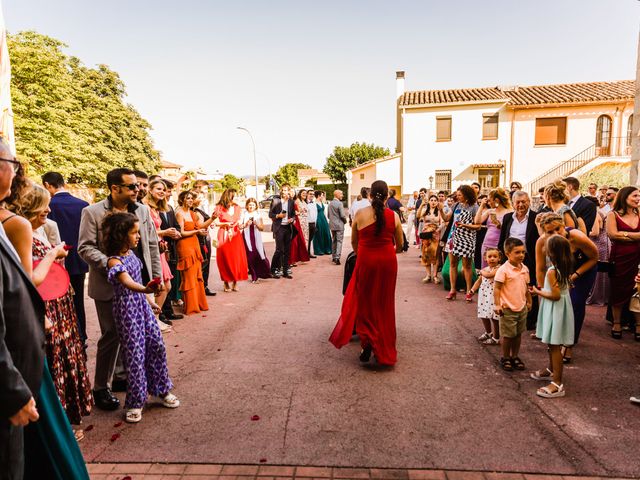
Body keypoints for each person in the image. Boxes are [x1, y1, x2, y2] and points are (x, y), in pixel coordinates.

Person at [79, 168, 162, 411]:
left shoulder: (143, 210)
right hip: (108, 284)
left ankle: (126, 379)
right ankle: (100, 388)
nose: (139, 190)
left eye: (138, 186)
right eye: (132, 187)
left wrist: (156, 276)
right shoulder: (92, 212)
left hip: (138, 284)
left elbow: (150, 245)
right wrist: (114, 265)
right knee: (112, 335)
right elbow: (84, 248)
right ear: (115, 189)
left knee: (144, 335)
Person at [19, 185, 92, 439]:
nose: (49, 210)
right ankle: (55, 429)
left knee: (63, 354)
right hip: (44, 304)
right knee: (52, 359)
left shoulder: (41, 227)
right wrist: (53, 253)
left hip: (59, 300)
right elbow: (30, 277)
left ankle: (67, 419)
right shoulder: (20, 230)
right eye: (44, 206)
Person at [103, 212, 179, 423]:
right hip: (127, 311)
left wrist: (150, 301)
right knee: (135, 355)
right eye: (134, 232)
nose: (138, 236)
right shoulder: (113, 260)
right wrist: (146, 289)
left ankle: (161, 389)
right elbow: (127, 281)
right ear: (120, 235)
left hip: (142, 308)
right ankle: (136, 401)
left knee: (157, 346)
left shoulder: (131, 255)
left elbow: (136, 281)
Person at [329, 180, 404, 366]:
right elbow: (400, 245)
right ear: (387, 196)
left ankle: (367, 341)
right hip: (387, 261)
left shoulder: (360, 214)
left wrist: (365, 252)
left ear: (370, 196)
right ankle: (382, 345)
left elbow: (354, 242)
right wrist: (388, 251)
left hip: (366, 259)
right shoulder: (393, 216)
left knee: (365, 300)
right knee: (384, 303)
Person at [535, 212, 598, 363]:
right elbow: (540, 268)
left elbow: (595, 257)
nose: (556, 233)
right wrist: (543, 290)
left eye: (558, 229)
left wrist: (575, 276)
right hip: (561, 272)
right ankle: (557, 336)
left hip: (583, 269)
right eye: (550, 231)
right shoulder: (542, 242)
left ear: (564, 225)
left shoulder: (576, 237)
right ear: (544, 231)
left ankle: (569, 344)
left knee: (575, 303)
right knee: (557, 302)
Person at [42, 172, 90, 344]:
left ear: (48, 185)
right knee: (78, 300)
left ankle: (67, 337)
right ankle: (82, 336)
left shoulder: (47, 205)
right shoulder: (83, 204)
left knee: (60, 302)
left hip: (55, 261)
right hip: (79, 258)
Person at [531, 235, 575, 399]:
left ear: (552, 253)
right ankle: (551, 369)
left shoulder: (551, 271)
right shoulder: (564, 267)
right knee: (552, 342)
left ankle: (557, 383)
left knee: (555, 345)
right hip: (560, 307)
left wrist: (537, 291)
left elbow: (555, 295)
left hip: (555, 307)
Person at [497, 191, 540, 330]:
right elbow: (503, 237)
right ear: (513, 203)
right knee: (510, 286)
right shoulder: (508, 217)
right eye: (518, 202)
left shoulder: (535, 217)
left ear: (529, 202)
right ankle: (510, 314)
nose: (521, 204)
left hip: (529, 257)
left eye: (524, 201)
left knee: (530, 286)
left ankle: (530, 320)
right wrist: (502, 256)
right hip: (510, 257)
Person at [143, 179, 179, 327]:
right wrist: (164, 232)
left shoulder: (157, 208)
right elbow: (145, 232)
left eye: (164, 190)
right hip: (152, 250)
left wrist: (170, 234)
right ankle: (154, 321)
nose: (162, 192)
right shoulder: (145, 207)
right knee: (161, 286)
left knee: (166, 286)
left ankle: (155, 319)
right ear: (150, 190)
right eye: (158, 189)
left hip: (161, 250)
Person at [606, 186, 640, 339]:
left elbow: (618, 234)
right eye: (634, 196)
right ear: (625, 197)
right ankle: (617, 322)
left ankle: (638, 325)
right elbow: (612, 234)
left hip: (638, 258)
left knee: (637, 290)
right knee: (617, 289)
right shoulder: (612, 215)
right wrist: (636, 235)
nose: (638, 199)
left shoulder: (639, 213)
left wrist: (624, 235)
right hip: (619, 258)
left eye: (639, 196)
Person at [494, 237, 532, 372]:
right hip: (507, 308)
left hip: (521, 307)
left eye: (523, 252)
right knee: (508, 335)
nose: (521, 255)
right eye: (517, 252)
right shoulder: (503, 270)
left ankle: (515, 356)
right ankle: (506, 357)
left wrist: (529, 301)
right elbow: (497, 288)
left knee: (518, 334)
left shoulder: (525, 269)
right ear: (507, 253)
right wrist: (497, 305)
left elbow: (526, 287)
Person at [440, 185, 479, 301]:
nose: (457, 196)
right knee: (453, 264)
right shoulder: (456, 205)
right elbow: (447, 219)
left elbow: (477, 226)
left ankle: (468, 291)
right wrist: (441, 209)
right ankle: (453, 290)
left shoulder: (474, 207)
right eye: (457, 194)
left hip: (467, 238)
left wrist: (465, 225)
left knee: (467, 266)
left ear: (466, 195)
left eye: (459, 195)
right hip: (454, 237)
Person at [175, 190, 210, 312]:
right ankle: (191, 306)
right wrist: (197, 232)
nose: (190, 200)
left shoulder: (192, 213)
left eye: (191, 198)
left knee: (197, 275)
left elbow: (201, 226)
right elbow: (181, 232)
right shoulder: (179, 213)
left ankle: (199, 303)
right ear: (182, 199)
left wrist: (213, 218)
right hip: (185, 246)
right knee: (189, 276)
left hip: (195, 245)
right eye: (188, 198)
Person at [214, 188, 248, 291]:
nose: (236, 198)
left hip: (236, 235)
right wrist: (224, 224)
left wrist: (243, 225)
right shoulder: (218, 208)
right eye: (234, 196)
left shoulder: (237, 207)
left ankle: (235, 282)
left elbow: (239, 221)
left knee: (236, 258)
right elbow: (214, 223)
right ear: (228, 196)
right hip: (223, 234)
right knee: (224, 258)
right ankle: (225, 282)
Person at [475, 188, 512, 268]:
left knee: (498, 268)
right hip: (487, 243)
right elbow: (477, 221)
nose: (488, 202)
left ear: (496, 200)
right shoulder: (490, 211)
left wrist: (498, 223)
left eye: (489, 200)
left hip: (499, 244)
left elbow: (509, 229)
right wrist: (481, 206)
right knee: (485, 267)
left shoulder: (509, 212)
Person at [471, 248, 502, 345]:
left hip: (493, 297)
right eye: (490, 256)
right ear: (485, 258)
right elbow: (478, 281)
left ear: (499, 258)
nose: (492, 259)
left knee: (494, 318)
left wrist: (480, 272)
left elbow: (489, 275)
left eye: (495, 256)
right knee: (483, 315)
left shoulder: (498, 269)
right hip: (484, 297)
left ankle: (496, 338)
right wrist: (472, 290)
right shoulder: (484, 270)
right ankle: (488, 332)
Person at [191, 189, 216, 296]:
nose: (202, 199)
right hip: (200, 241)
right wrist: (212, 219)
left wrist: (211, 223)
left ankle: (204, 286)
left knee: (206, 264)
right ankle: (201, 287)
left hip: (205, 239)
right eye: (199, 197)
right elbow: (201, 226)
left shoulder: (198, 210)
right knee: (202, 264)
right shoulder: (194, 212)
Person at [587, 197, 611, 305]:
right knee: (602, 270)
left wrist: (581, 232)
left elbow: (595, 232)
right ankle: (603, 295)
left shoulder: (596, 214)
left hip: (598, 243)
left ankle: (598, 296)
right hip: (604, 243)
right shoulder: (600, 212)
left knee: (599, 271)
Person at [241, 198, 271, 283]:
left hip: (256, 238)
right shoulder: (244, 214)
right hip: (246, 237)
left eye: (253, 205)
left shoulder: (258, 215)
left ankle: (263, 272)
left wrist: (256, 224)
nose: (251, 206)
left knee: (259, 255)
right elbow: (239, 226)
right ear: (247, 205)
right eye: (250, 205)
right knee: (250, 256)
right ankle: (254, 276)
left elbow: (262, 228)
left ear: (255, 206)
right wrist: (246, 224)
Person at [269, 184, 296, 278]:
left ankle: (285, 271)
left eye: (287, 190)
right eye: (283, 190)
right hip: (279, 227)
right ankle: (273, 270)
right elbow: (270, 214)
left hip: (288, 228)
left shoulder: (291, 202)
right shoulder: (276, 201)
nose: (285, 192)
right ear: (281, 191)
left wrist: (292, 219)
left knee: (287, 250)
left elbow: (293, 214)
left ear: (289, 191)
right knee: (279, 250)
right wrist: (278, 216)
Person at [418, 194, 443, 283]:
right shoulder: (425, 211)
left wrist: (437, 230)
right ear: (429, 201)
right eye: (431, 200)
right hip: (426, 235)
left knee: (435, 255)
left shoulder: (440, 212)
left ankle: (435, 275)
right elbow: (418, 216)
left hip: (435, 235)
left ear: (437, 202)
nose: (433, 202)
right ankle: (428, 275)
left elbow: (442, 223)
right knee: (426, 254)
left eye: (435, 200)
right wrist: (421, 205)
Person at [290, 190, 311, 266]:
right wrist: (299, 212)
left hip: (305, 222)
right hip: (299, 222)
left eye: (305, 193)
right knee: (299, 240)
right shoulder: (297, 201)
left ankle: (303, 256)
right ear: (299, 194)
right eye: (303, 193)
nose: (304, 194)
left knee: (305, 239)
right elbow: (295, 212)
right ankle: (295, 257)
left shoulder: (304, 201)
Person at [328, 190, 347, 265]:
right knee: (339, 241)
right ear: (337, 195)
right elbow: (342, 215)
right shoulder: (339, 204)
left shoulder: (330, 204)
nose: (342, 195)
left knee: (334, 240)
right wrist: (345, 221)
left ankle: (333, 256)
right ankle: (337, 257)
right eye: (341, 194)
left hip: (332, 225)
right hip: (339, 225)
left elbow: (328, 215)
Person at [313, 190, 332, 256]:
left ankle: (327, 249)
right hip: (318, 220)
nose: (323, 196)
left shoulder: (322, 203)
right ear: (318, 196)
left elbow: (324, 212)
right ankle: (319, 250)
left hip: (323, 219)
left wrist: (327, 220)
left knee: (326, 233)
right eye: (322, 195)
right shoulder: (314, 203)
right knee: (319, 234)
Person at [306, 190, 318, 258]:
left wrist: (315, 224)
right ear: (307, 194)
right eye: (310, 194)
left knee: (310, 239)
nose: (312, 195)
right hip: (307, 224)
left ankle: (309, 253)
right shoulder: (305, 203)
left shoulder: (314, 203)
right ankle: (306, 254)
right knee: (307, 239)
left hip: (313, 224)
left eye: (313, 194)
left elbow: (315, 214)